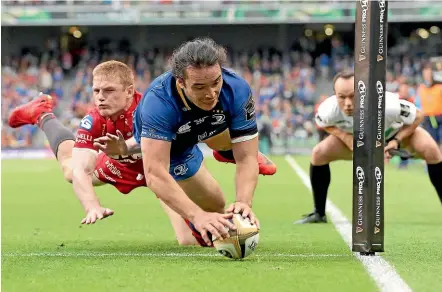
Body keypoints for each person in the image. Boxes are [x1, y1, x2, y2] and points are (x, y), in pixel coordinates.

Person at [7, 60, 214, 246]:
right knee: (71, 170)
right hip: (120, 166)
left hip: (163, 170)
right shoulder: (94, 119)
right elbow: (81, 169)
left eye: (109, 90)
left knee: (189, 241)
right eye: (96, 91)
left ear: (129, 91)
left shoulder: (152, 109)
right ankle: (43, 114)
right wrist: (92, 205)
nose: (100, 98)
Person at [95, 38, 266, 246]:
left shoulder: (236, 89)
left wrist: (244, 202)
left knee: (221, 200)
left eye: (215, 82)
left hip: (203, 130)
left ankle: (223, 149)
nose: (211, 93)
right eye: (200, 86)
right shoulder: (159, 103)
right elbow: (156, 174)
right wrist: (197, 216)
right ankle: (45, 117)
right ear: (181, 83)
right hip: (162, 149)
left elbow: (247, 157)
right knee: (78, 173)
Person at [295, 71, 442, 224]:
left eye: (353, 95)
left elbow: (418, 115)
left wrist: (397, 140)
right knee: (318, 153)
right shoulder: (328, 109)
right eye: (342, 97)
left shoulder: (387, 104)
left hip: (394, 134)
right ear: (335, 95)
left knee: (431, 150)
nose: (348, 104)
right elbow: (322, 123)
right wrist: (346, 137)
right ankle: (319, 213)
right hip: (357, 140)